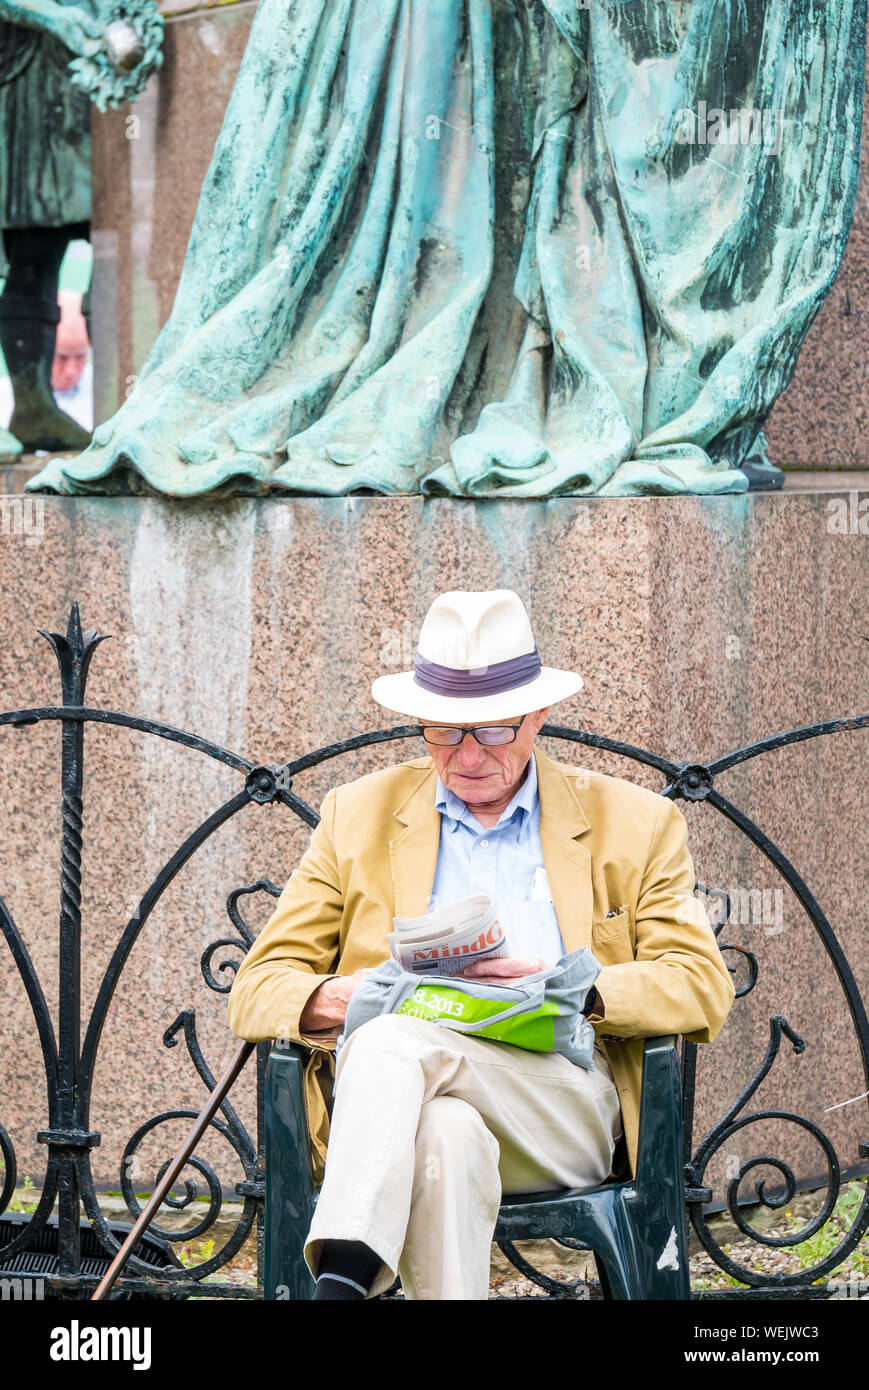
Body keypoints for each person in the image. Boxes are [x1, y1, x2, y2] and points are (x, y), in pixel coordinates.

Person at [227, 588, 735, 1300]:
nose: (464, 756)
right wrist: (354, 994)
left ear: (536, 718)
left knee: (390, 1038)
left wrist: (569, 988)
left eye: (491, 731)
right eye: (441, 732)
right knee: (442, 1134)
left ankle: (340, 1283)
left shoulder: (635, 823)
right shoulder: (356, 816)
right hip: (402, 1113)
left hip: (556, 1107)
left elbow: (699, 984)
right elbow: (256, 989)